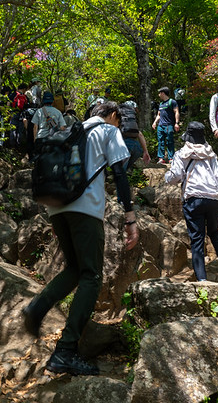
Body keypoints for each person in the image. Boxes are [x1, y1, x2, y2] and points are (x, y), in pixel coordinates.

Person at [21, 101, 139, 375]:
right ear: (112, 116)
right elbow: (119, 172)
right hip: (85, 208)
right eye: (118, 121)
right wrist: (130, 217)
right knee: (92, 275)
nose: (118, 125)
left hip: (56, 206)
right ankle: (65, 350)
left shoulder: (70, 131)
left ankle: (37, 308)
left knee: (75, 268)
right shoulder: (108, 131)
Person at [164, 121, 218, 281]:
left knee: (197, 238)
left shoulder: (182, 153)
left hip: (194, 198)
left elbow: (175, 176)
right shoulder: (211, 154)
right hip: (214, 199)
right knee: (214, 230)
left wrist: (167, 177)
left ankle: (202, 279)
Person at [152, 87, 180, 164]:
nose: (159, 95)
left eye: (159, 93)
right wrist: (155, 122)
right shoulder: (161, 104)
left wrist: (176, 123)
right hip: (160, 125)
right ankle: (161, 158)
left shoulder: (172, 102)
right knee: (160, 141)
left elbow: (176, 112)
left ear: (163, 93)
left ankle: (171, 158)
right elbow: (159, 115)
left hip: (169, 125)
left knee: (169, 141)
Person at [119, 101, 151, 170]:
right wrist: (145, 151)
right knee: (124, 169)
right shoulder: (132, 120)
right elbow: (140, 134)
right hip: (137, 147)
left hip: (124, 144)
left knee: (120, 171)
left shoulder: (120, 117)